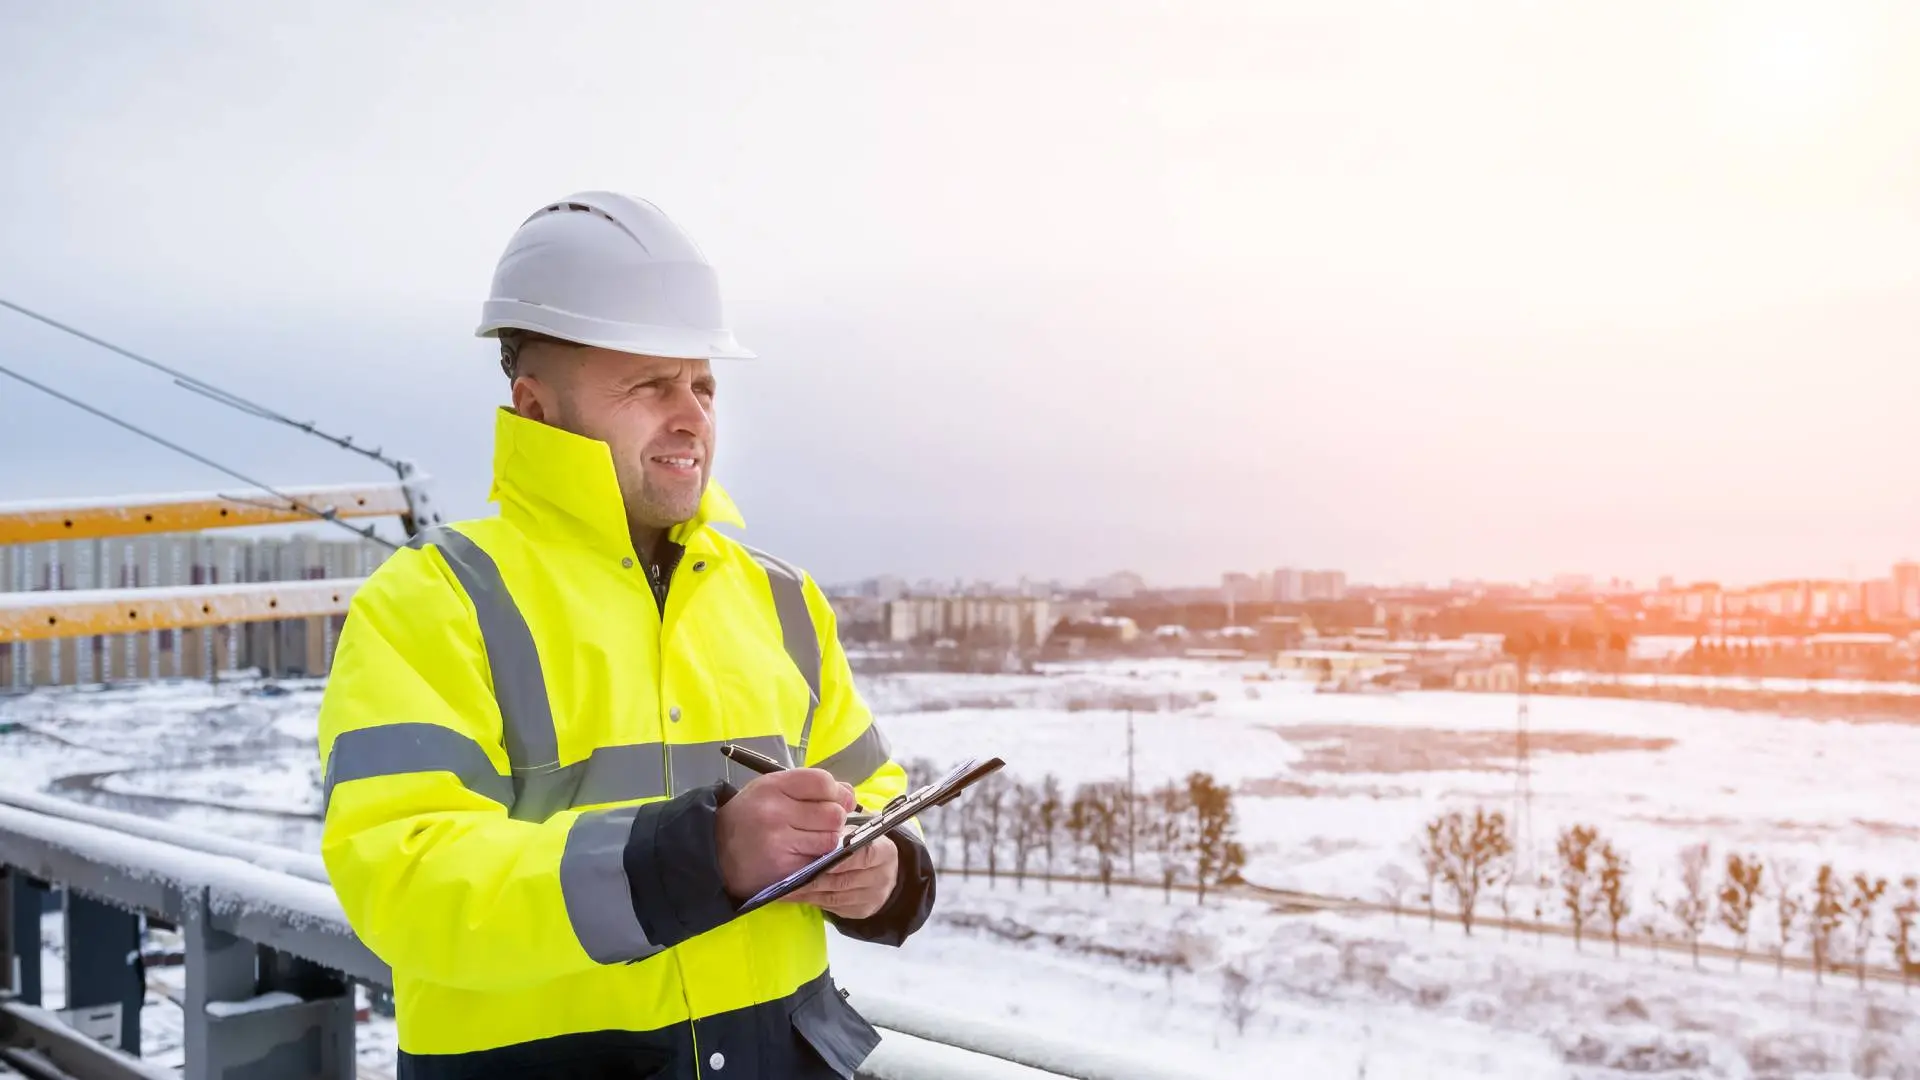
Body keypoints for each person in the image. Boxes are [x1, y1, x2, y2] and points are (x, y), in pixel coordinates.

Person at [316, 191, 935, 1079]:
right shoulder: (435, 599)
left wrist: (881, 871)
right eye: (649, 384)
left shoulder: (781, 599)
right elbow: (404, 880)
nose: (691, 415)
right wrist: (704, 855)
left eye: (703, 384)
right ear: (536, 409)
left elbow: (869, 792)